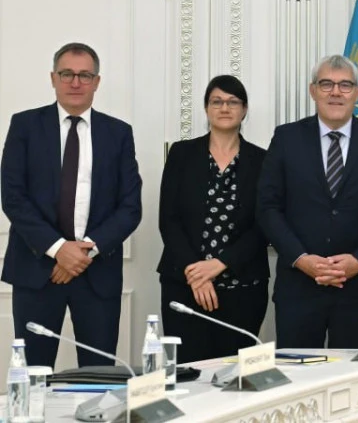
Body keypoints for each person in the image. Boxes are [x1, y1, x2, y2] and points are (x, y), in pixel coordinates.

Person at [1, 42, 142, 368]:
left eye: (84, 75)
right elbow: (13, 197)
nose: (75, 82)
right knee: (34, 374)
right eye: (67, 74)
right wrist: (58, 249)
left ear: (96, 81)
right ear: (53, 78)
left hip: (97, 274)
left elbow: (130, 206)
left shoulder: (118, 133)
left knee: (97, 375)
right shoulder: (24, 126)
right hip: (37, 270)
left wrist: (82, 253)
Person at [257, 55, 358, 349]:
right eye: (326, 84)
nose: (336, 92)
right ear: (313, 90)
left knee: (355, 373)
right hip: (299, 286)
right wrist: (301, 259)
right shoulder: (287, 138)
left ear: (357, 92)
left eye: (345, 85)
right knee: (298, 371)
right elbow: (267, 206)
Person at [157, 75, 268, 362]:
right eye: (217, 101)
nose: (225, 108)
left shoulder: (263, 160)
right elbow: (168, 219)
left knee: (235, 373)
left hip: (243, 288)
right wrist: (197, 274)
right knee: (188, 372)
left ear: (244, 109)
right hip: (185, 284)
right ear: (206, 108)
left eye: (233, 102)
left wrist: (219, 264)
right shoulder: (181, 153)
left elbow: (265, 224)